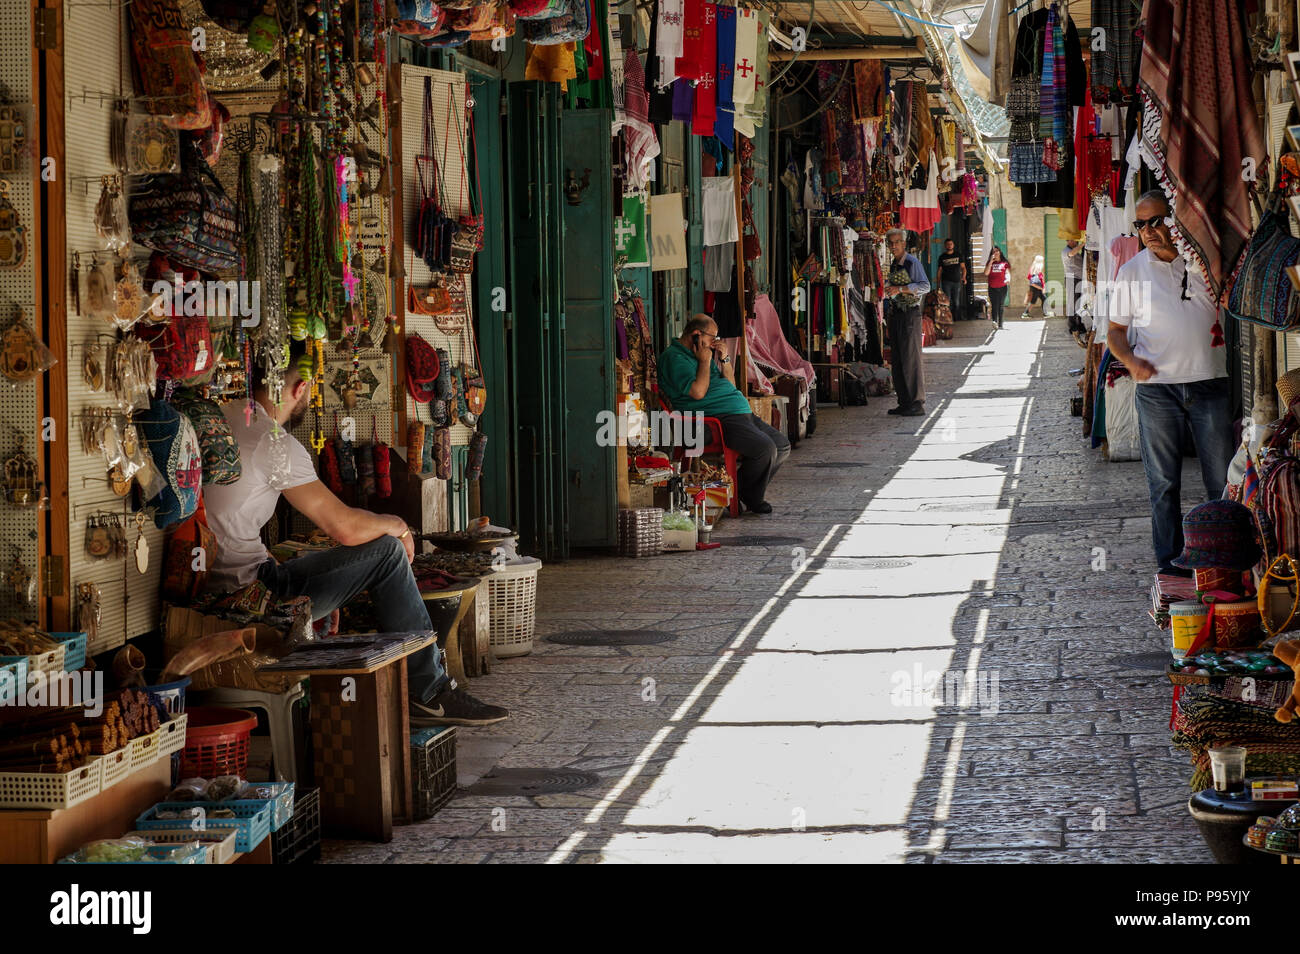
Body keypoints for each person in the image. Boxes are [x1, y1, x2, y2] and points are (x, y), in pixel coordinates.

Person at [203, 339, 509, 727]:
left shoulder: (220, 416)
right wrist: (398, 526)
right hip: (247, 592)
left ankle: (425, 686)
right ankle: (428, 691)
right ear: (300, 389)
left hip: (229, 577)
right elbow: (345, 527)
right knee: (387, 552)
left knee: (331, 557)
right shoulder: (273, 443)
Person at [1101, 190, 1234, 576]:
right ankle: (1171, 568)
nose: (1148, 231)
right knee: (1163, 486)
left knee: (1221, 481)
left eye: (1155, 221)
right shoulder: (1132, 272)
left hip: (1210, 383)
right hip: (1157, 393)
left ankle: (1224, 563)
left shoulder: (1204, 263)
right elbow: (1115, 332)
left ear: (1175, 221)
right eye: (1140, 225)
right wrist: (1130, 361)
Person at [657, 315, 790, 514]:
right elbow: (698, 392)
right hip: (714, 419)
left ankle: (743, 492)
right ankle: (745, 496)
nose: (715, 343)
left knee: (782, 445)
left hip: (737, 412)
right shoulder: (674, 358)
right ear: (696, 335)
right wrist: (704, 361)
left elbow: (731, 384)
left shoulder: (703, 353)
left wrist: (725, 359)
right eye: (712, 338)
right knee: (765, 448)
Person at [883, 227, 930, 416]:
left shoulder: (912, 262)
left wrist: (900, 290)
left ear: (904, 243)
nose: (894, 246)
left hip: (910, 314)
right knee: (898, 359)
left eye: (897, 242)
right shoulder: (894, 264)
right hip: (897, 314)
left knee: (911, 359)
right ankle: (904, 401)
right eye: (891, 243)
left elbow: (925, 285)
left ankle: (917, 403)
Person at [935, 238, 966, 319]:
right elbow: (939, 270)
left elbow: (963, 268)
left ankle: (956, 318)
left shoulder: (958, 255)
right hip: (946, 282)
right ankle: (949, 318)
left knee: (956, 302)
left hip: (957, 281)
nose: (949, 246)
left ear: (953, 245)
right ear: (945, 246)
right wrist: (938, 284)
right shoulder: (942, 257)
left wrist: (964, 277)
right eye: (948, 244)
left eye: (951, 244)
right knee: (947, 301)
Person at [1062, 238, 1084, 334]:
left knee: (1078, 304)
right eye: (1075, 240)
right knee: (1072, 303)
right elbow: (1071, 254)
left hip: (1078, 279)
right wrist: (1083, 244)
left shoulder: (1075, 250)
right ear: (1069, 241)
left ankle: (1079, 325)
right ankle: (1072, 326)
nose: (1077, 242)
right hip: (1072, 279)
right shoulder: (1065, 251)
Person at [985, 246, 1010, 329]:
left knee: (1001, 305)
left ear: (1000, 252)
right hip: (992, 287)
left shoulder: (1005, 263)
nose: (995, 253)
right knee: (994, 305)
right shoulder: (989, 263)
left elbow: (1007, 272)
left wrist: (1008, 278)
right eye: (994, 252)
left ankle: (1000, 324)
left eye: (997, 251)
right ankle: (994, 321)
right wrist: (991, 262)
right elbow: (986, 273)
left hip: (1002, 287)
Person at [1022, 255, 1047, 319]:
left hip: (1036, 288)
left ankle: (1045, 312)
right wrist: (1041, 288)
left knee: (1043, 299)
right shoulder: (1036, 270)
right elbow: (1033, 282)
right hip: (1036, 288)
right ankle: (1025, 313)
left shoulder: (1034, 269)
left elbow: (1030, 278)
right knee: (1034, 301)